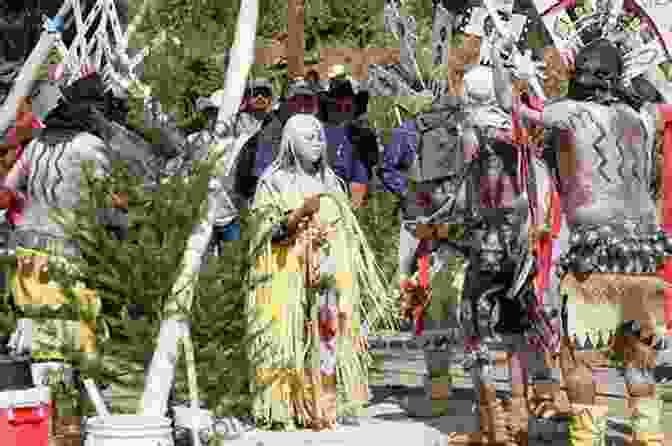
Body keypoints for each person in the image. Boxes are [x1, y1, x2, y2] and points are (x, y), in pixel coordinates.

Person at [491, 30, 671, 446]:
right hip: (643, 256)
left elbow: (508, 107)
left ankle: (588, 439)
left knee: (578, 360)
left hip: (594, 254)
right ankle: (649, 435)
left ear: (581, 76)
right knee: (639, 358)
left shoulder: (568, 113)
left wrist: (506, 64)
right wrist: (652, 73)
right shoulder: (647, 116)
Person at [246, 114, 394, 430]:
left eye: (319, 136)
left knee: (327, 335)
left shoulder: (331, 182)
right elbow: (265, 235)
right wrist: (299, 215)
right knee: (286, 336)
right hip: (286, 274)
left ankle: (324, 406)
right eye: (308, 137)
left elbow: (348, 231)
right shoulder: (274, 182)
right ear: (291, 142)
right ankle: (284, 406)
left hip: (328, 273)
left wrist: (332, 240)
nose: (317, 142)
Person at [323, 76, 369, 209]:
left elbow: (358, 183)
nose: (342, 102)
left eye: (347, 97)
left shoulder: (360, 137)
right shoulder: (314, 130)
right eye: (337, 97)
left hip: (340, 210)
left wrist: (349, 213)